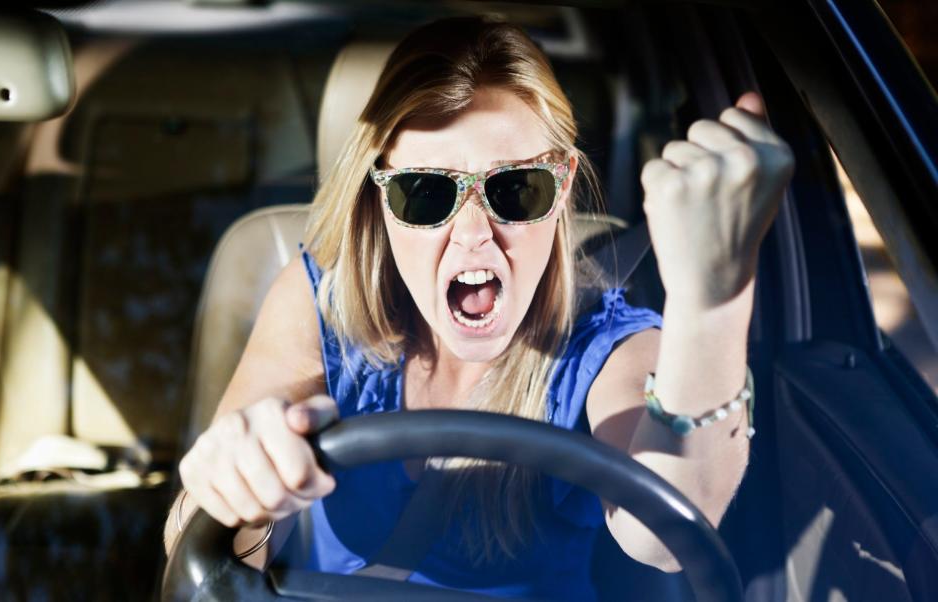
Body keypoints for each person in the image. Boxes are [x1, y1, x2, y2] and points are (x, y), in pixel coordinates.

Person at [163, 16, 793, 599]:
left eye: (516, 187)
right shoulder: (321, 305)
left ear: (563, 186)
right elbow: (199, 551)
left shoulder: (605, 347)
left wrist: (713, 299)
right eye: (426, 193)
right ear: (379, 200)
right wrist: (237, 492)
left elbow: (663, 530)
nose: (473, 234)